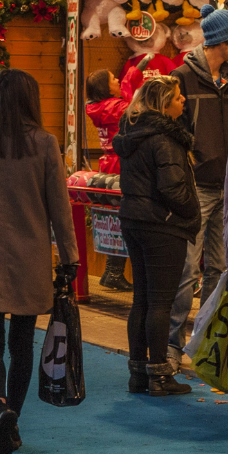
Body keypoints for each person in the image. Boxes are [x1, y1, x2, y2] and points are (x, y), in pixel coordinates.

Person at [0, 68, 80, 454]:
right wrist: (71, 257)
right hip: (32, 259)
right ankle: (14, 421)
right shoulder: (45, 144)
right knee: (22, 344)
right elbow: (60, 208)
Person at [167, 3, 228, 364]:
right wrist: (192, 161)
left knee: (219, 267)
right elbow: (174, 128)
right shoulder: (181, 78)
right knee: (186, 267)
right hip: (197, 185)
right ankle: (171, 343)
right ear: (222, 41)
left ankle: (204, 344)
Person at [114, 76, 201, 397]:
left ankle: (138, 373)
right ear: (165, 104)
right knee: (161, 303)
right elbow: (172, 187)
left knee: (142, 300)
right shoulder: (166, 138)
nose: (183, 102)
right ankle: (159, 376)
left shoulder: (133, 132)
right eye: (178, 98)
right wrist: (193, 212)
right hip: (162, 225)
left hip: (133, 220)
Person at [85, 65, 143, 291]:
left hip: (108, 165)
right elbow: (133, 112)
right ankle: (114, 272)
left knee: (115, 221)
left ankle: (112, 271)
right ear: (104, 87)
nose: (117, 80)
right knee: (125, 221)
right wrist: (131, 78)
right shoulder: (114, 107)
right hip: (121, 166)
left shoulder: (99, 107)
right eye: (113, 78)